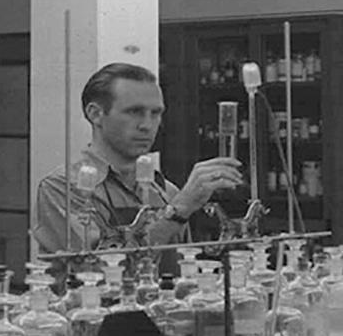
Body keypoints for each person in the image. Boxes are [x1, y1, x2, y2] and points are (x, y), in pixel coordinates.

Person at [33, 62, 243, 256]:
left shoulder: (164, 191)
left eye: (156, 113)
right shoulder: (63, 188)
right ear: (95, 114)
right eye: (134, 112)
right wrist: (179, 210)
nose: (147, 125)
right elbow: (96, 271)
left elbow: (181, 272)